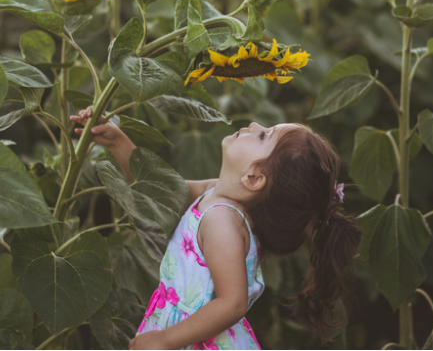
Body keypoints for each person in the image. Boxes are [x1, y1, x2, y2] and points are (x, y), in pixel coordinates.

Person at [71, 107, 362, 350]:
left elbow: (233, 302)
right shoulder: (220, 195)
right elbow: (164, 191)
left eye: (264, 135)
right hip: (185, 328)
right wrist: (116, 140)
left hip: (193, 338)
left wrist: (164, 339)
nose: (254, 124)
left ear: (253, 178)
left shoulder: (222, 221)